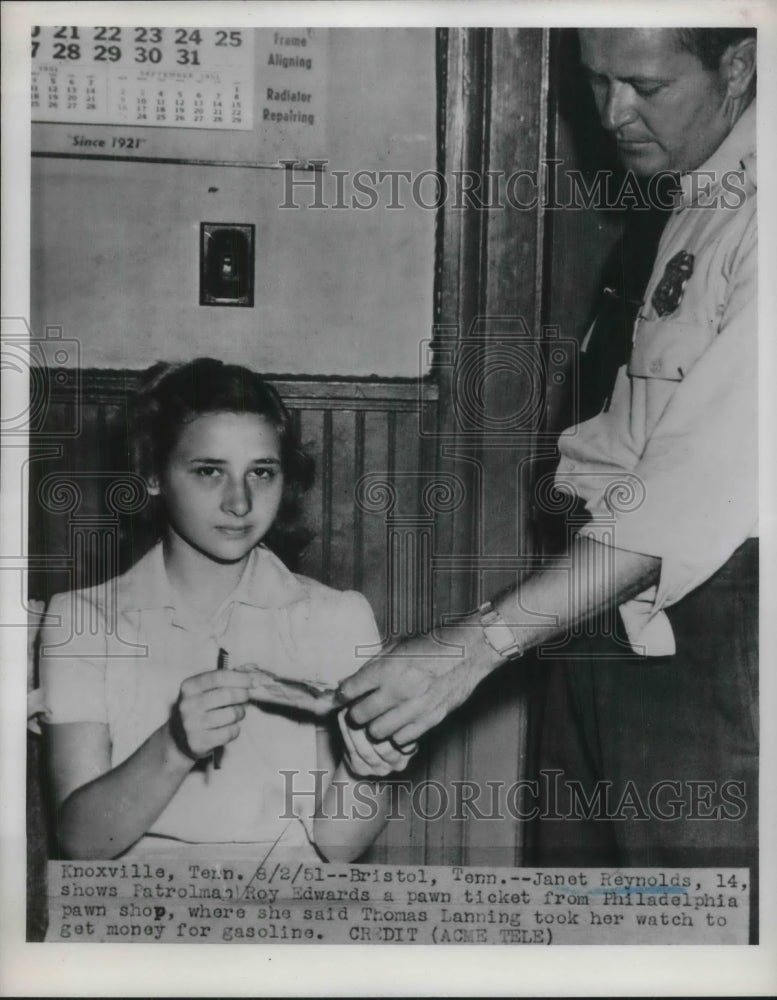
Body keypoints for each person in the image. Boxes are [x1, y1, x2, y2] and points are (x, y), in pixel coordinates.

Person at [339, 27, 758, 924]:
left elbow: (693, 490)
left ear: (740, 65)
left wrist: (475, 645)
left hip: (702, 624)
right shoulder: (699, 185)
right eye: (595, 81)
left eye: (644, 85)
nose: (612, 115)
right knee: (583, 913)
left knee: (689, 930)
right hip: (599, 604)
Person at [39, 358, 414, 862]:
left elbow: (338, 847)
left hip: (288, 909)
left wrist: (371, 767)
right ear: (152, 474)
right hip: (135, 915)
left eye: (261, 472)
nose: (240, 502)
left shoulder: (337, 617)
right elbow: (82, 843)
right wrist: (174, 745)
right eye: (209, 471)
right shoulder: (79, 622)